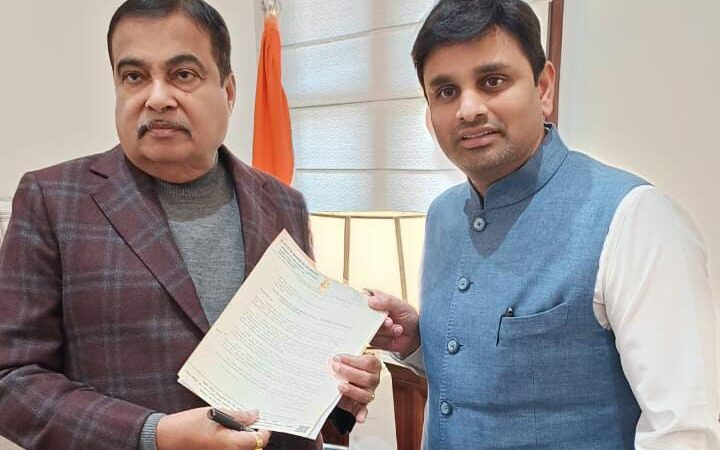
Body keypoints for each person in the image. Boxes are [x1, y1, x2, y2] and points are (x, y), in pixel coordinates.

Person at [0, 1, 380, 449]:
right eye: (134, 76)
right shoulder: (53, 200)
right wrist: (153, 436)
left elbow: (293, 367)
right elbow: (12, 380)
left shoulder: (283, 203)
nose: (157, 98)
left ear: (229, 90)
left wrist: (339, 389)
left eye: (183, 74)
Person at [370, 0, 720, 449]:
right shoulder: (442, 216)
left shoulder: (636, 217)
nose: (468, 109)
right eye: (446, 91)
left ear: (544, 87)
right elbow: (485, 382)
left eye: (492, 81)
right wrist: (418, 341)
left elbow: (684, 431)